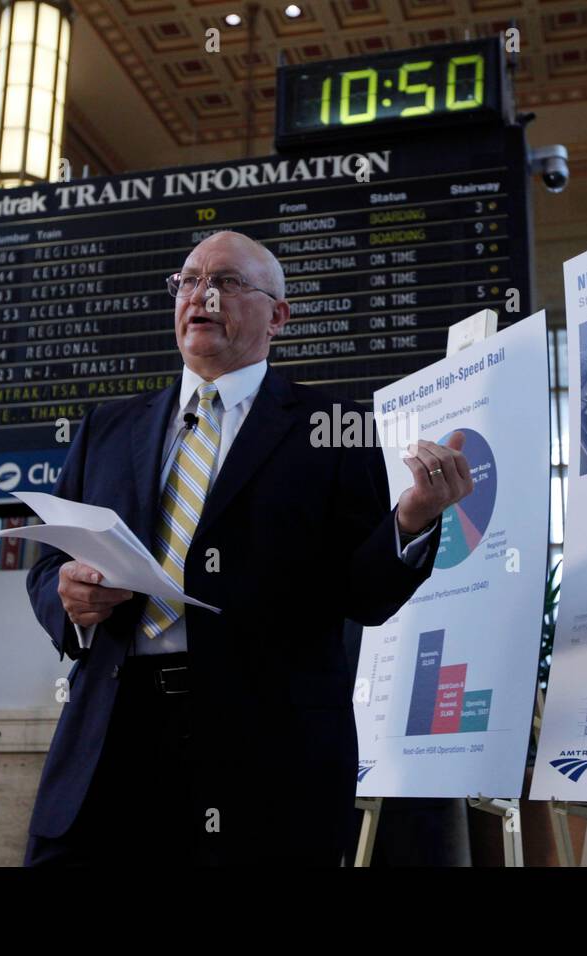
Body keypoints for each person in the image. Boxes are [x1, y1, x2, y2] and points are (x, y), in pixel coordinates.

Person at [24, 230, 474, 866]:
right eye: (188, 281)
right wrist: (66, 595)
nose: (201, 295)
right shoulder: (106, 427)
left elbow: (363, 595)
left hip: (266, 755)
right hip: (109, 740)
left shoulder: (333, 428)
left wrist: (412, 520)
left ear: (278, 316)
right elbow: (47, 567)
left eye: (228, 282)